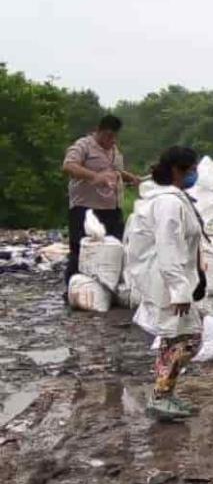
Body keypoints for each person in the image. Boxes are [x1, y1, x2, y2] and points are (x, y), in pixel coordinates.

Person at [123, 146, 205, 422]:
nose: (194, 174)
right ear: (176, 170)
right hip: (168, 281)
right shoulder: (168, 202)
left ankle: (165, 395)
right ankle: (160, 396)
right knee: (189, 339)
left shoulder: (171, 198)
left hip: (172, 278)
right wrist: (179, 290)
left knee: (173, 338)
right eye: (190, 169)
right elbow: (168, 246)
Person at [62, 115, 141, 289]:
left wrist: (132, 178)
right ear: (98, 131)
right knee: (81, 250)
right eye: (107, 136)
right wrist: (94, 176)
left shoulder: (114, 150)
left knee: (115, 247)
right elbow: (69, 166)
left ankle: (107, 288)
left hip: (112, 207)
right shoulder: (83, 145)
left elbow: (117, 171)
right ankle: (74, 288)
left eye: (113, 136)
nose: (110, 140)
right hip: (86, 208)